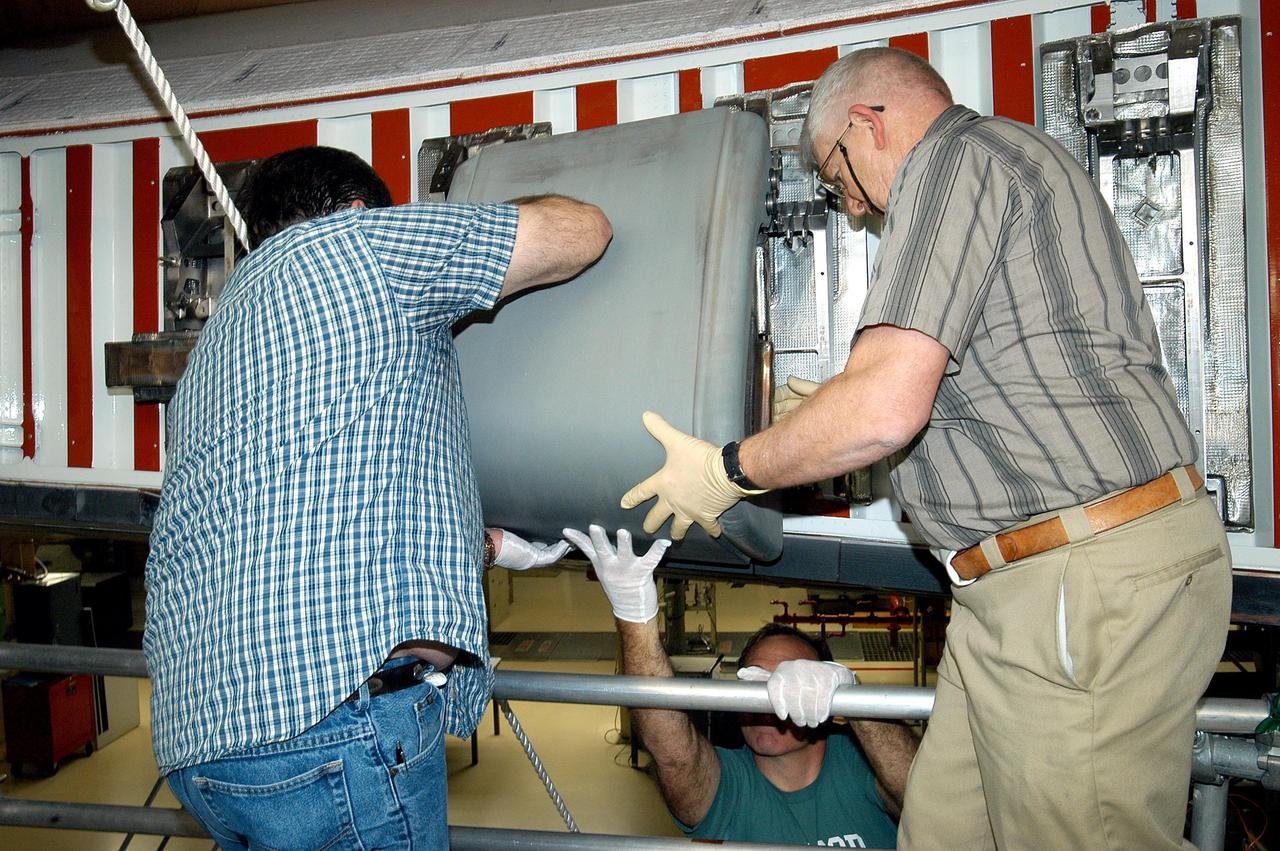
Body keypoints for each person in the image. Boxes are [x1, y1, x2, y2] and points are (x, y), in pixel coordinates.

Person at [619, 47, 1230, 850]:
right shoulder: (1015, 160)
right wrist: (831, 415)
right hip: (1023, 582)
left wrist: (727, 470)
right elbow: (991, 391)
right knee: (941, 833)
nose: (857, 210)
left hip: (1078, 575)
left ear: (866, 123)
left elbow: (883, 409)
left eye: (840, 181)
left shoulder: (950, 163)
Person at [144, 145, 611, 849]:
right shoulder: (359, 247)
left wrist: (478, 546)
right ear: (362, 212)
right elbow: (582, 231)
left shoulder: (215, 349)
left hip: (202, 749)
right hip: (328, 735)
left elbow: (311, 511)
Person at [564, 525, 917, 847]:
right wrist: (634, 614)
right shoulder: (729, 785)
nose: (770, 700)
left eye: (789, 679)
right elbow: (674, 755)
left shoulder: (859, 766)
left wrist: (852, 699)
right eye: (758, 681)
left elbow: (921, 793)